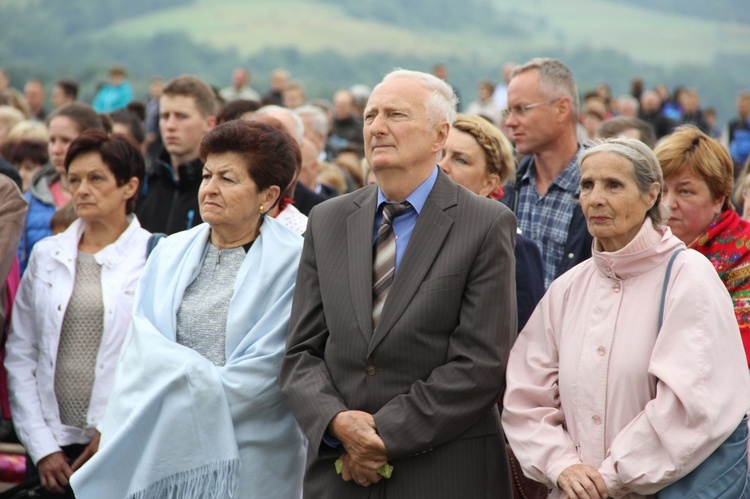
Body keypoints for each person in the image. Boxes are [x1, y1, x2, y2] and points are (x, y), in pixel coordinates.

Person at [280, 69, 516, 497]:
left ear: (439, 134)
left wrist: (379, 436)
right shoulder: (328, 220)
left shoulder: (484, 224)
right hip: (341, 473)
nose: (377, 127)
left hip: (442, 472)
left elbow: (481, 364)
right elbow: (301, 352)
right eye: (370, 116)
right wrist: (338, 425)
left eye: (395, 115)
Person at [502, 137, 750, 498]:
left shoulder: (689, 276)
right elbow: (527, 393)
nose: (595, 198)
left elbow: (692, 404)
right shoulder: (568, 288)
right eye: (587, 185)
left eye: (613, 185)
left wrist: (613, 474)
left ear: (652, 195)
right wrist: (562, 466)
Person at [71, 120, 305, 499]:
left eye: (228, 179)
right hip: (161, 449)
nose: (210, 188)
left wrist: (172, 390)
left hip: (251, 458)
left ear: (268, 194)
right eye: (207, 175)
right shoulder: (169, 252)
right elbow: (139, 351)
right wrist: (185, 384)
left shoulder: (294, 263)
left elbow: (269, 371)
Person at [6, 130, 149, 497]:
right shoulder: (46, 254)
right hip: (53, 441)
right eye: (75, 180)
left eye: (96, 178)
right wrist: (42, 448)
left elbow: (153, 363)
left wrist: (113, 430)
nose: (82, 189)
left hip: (122, 443)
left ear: (129, 187)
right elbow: (22, 354)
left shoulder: (154, 257)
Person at [438, 113, 544, 330]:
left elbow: (520, 338)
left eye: (461, 160)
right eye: (440, 153)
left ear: (489, 183)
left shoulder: (515, 248)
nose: (442, 165)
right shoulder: (408, 229)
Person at [657, 125, 750, 364]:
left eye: (685, 191)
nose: (668, 204)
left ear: (719, 198)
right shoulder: (646, 248)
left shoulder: (745, 252)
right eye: (662, 191)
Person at [500, 58, 591, 288]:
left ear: (562, 108)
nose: (510, 122)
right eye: (508, 111)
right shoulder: (509, 188)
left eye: (522, 109)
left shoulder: (599, 190)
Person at [17, 103, 105, 274]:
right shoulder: (29, 202)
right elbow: (19, 263)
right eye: (52, 140)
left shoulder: (108, 198)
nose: (56, 150)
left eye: (66, 140)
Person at [135, 74, 217, 234]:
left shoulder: (218, 191)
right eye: (165, 116)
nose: (170, 125)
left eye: (181, 116)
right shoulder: (141, 185)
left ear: (209, 123)